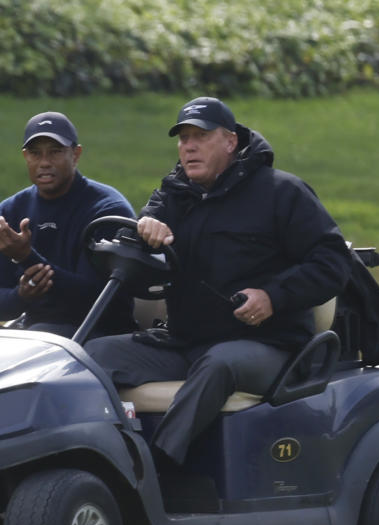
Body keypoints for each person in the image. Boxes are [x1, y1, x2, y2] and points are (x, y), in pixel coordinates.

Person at [84, 97, 353, 466]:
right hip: (185, 342)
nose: (188, 146)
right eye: (183, 139)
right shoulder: (175, 193)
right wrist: (147, 225)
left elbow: (333, 261)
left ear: (230, 142)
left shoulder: (281, 192)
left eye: (200, 136)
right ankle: (90, 456)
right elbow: (146, 229)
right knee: (92, 357)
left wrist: (273, 297)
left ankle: (152, 469)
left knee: (219, 364)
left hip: (268, 346)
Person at [0, 112, 137, 341]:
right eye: (35, 153)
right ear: (25, 156)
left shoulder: (106, 209)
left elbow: (97, 301)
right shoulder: (9, 212)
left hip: (92, 335)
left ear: (76, 154)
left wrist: (26, 257)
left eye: (55, 152)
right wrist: (22, 296)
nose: (44, 162)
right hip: (31, 333)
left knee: (43, 336)